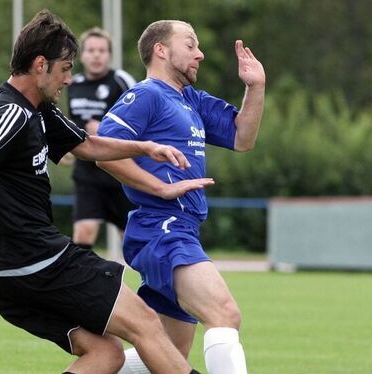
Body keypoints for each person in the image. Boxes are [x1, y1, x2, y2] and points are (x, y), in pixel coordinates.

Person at [0, 10, 200, 374]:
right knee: (144, 322)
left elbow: (88, 146)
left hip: (17, 274)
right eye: (64, 68)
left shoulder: (39, 109)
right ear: (40, 65)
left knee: (106, 355)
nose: (68, 78)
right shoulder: (9, 113)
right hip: (37, 261)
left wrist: (144, 148)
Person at [97, 20, 266, 374]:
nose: (200, 53)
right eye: (190, 44)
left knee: (168, 352)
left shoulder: (190, 99)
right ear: (161, 50)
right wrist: (159, 187)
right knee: (224, 313)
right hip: (162, 226)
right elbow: (103, 150)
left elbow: (242, 138)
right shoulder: (146, 95)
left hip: (181, 228)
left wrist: (256, 87)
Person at [66, 27, 137, 251]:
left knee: (132, 238)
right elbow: (69, 123)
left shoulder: (122, 81)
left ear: (109, 55)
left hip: (120, 171)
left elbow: (140, 120)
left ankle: (149, 284)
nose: (97, 55)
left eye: (102, 50)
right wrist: (66, 146)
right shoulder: (72, 85)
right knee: (83, 231)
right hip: (87, 172)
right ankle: (80, 284)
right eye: (91, 50)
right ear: (82, 55)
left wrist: (106, 129)